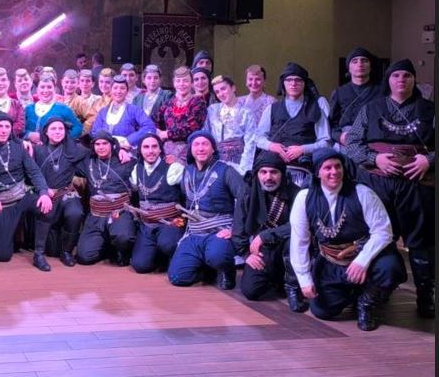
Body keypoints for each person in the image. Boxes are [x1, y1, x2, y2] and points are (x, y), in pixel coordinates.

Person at [346, 58, 435, 318]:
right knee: (377, 237)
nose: (401, 80)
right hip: (377, 184)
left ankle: (425, 297)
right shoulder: (371, 108)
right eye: (396, 76)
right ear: (388, 80)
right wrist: (375, 159)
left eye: (407, 75)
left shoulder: (429, 110)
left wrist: (428, 160)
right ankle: (377, 293)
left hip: (417, 185)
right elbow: (352, 143)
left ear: (414, 80)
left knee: (422, 242)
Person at [290, 149, 406, 331]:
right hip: (331, 261)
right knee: (322, 310)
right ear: (317, 172)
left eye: (338, 166)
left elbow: (383, 231)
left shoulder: (362, 192)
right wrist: (304, 279)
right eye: (328, 168)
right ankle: (356, 292)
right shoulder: (304, 198)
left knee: (390, 268)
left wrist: (362, 260)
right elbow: (299, 241)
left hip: (366, 257)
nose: (334, 172)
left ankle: (367, 303)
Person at [0, 113, 52, 271]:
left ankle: (39, 254)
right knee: (2, 256)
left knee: (46, 207)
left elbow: (34, 172)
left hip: (22, 195)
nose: (4, 130)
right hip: (3, 202)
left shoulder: (18, 148)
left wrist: (43, 192)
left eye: (7, 126)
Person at [167, 131, 245, 290]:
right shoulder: (186, 171)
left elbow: (246, 199)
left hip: (219, 231)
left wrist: (235, 229)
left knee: (217, 256)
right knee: (177, 277)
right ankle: (206, 268)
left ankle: (227, 270)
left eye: (205, 144)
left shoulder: (226, 171)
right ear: (190, 149)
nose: (201, 148)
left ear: (213, 148)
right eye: (196, 144)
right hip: (194, 232)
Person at [232, 152, 306, 312]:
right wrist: (246, 254)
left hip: (289, 247)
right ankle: (276, 279)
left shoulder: (296, 193)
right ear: (257, 173)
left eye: (274, 172)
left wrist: (265, 235)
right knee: (251, 290)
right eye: (263, 172)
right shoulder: (248, 192)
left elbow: (299, 225)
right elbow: (238, 227)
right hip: (262, 249)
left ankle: (292, 286)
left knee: (293, 242)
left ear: (282, 174)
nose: (268, 177)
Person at [255, 63, 330, 187]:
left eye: (298, 80)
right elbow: (258, 138)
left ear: (304, 83)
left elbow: (325, 142)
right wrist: (272, 146)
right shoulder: (272, 109)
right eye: (289, 80)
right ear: (283, 83)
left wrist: (303, 149)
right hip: (273, 167)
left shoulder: (316, 110)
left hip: (304, 167)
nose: (293, 83)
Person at [33, 117, 90, 268]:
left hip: (66, 192)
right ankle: (39, 253)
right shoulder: (37, 150)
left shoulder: (74, 150)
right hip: (45, 194)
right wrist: (43, 190)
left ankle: (67, 252)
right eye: (53, 129)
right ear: (46, 132)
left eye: (61, 129)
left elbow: (96, 152)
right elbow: (31, 173)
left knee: (75, 213)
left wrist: (119, 150)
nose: (57, 132)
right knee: (46, 214)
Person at [74, 131, 137, 266]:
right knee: (84, 257)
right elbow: (70, 155)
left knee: (123, 238)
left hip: (119, 212)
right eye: (97, 144)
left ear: (112, 144)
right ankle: (107, 246)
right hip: (96, 215)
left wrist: (121, 150)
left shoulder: (125, 161)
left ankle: (121, 249)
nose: (101, 147)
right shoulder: (88, 162)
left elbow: (145, 163)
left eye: (104, 143)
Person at [129, 134, 185, 274]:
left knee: (167, 244)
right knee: (140, 266)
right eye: (146, 147)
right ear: (140, 150)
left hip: (170, 223)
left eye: (154, 147)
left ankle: (172, 252)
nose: (150, 151)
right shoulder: (136, 169)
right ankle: (158, 255)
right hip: (147, 225)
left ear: (160, 149)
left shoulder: (173, 167)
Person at [202, 76, 257, 174]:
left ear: (233, 88)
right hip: (215, 161)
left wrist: (244, 170)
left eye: (223, 89)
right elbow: (205, 135)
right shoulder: (212, 110)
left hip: (238, 162)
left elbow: (250, 143)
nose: (221, 94)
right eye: (217, 92)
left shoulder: (246, 113)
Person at [152, 66, 208, 164]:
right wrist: (158, 132)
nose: (181, 84)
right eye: (178, 81)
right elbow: (156, 120)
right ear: (174, 83)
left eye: (185, 81)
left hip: (188, 149)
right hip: (166, 149)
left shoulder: (198, 102)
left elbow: (192, 128)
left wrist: (167, 134)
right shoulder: (169, 103)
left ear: (192, 83)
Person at [329, 47, 381, 148]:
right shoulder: (339, 92)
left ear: (371, 66)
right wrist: (339, 136)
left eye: (364, 60)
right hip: (346, 138)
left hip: (374, 138)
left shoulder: (381, 91)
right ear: (348, 67)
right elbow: (331, 123)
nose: (360, 64)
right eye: (355, 61)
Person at [90, 75, 156, 150]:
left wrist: (129, 140)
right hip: (105, 151)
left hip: (127, 151)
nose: (118, 91)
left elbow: (150, 127)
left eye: (122, 88)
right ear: (110, 90)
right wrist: (110, 143)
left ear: (127, 91)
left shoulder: (134, 110)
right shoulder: (103, 112)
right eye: (115, 88)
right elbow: (95, 132)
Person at [24, 75, 82, 144]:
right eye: (42, 87)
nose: (46, 90)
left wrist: (61, 138)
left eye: (49, 87)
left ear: (54, 90)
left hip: (54, 149)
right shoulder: (28, 109)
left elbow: (78, 127)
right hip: (30, 148)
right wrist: (28, 134)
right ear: (37, 90)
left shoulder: (63, 109)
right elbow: (19, 130)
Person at [81, 68, 114, 134]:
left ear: (113, 83)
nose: (104, 85)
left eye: (107, 82)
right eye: (101, 82)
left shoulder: (116, 101)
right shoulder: (97, 101)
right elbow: (90, 121)